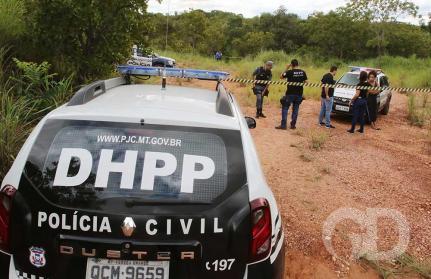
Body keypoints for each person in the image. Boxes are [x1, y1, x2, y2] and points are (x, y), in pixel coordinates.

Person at [276, 59, 308, 130]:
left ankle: (283, 125)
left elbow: (281, 77)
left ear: (291, 65)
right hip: (299, 94)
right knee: (296, 109)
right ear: (298, 64)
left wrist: (286, 68)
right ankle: (293, 125)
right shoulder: (303, 72)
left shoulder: (289, 72)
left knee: (285, 108)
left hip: (290, 93)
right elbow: (306, 82)